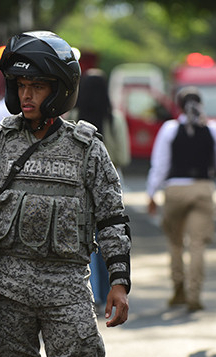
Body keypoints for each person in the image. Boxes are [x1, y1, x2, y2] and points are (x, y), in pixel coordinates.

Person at [0, 31, 130, 357]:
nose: (27, 95)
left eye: (37, 86)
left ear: (60, 90)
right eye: (21, 85)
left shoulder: (87, 148)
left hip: (66, 288)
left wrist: (119, 282)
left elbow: (112, 218)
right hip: (7, 288)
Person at [146, 86, 216, 312]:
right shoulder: (213, 129)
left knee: (175, 243)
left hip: (175, 190)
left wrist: (151, 193)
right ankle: (195, 294)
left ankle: (179, 289)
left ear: (179, 106)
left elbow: (160, 165)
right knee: (197, 244)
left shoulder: (170, 129)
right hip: (203, 189)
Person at [69, 68, 131, 312]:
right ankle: (108, 291)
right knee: (110, 237)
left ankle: (92, 292)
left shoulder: (73, 117)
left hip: (79, 185)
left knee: (87, 241)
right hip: (109, 184)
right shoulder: (115, 119)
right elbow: (124, 156)